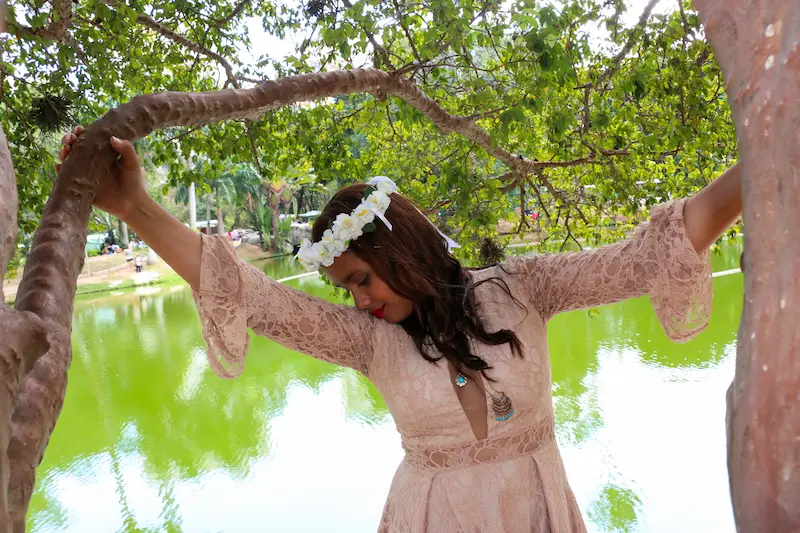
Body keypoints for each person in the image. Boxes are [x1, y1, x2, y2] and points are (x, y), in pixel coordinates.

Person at [58, 127, 742, 532]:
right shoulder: (367, 341)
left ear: (401, 250)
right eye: (345, 288)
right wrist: (136, 205)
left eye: (362, 279)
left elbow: (652, 250)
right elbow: (252, 296)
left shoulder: (525, 286)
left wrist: (764, 158)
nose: (358, 301)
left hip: (536, 509)